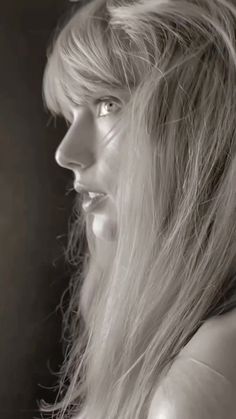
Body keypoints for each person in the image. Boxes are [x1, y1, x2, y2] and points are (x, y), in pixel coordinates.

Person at [40, 0, 236, 418]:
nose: (65, 152)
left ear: (200, 126)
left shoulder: (196, 391)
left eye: (108, 104)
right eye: (72, 112)